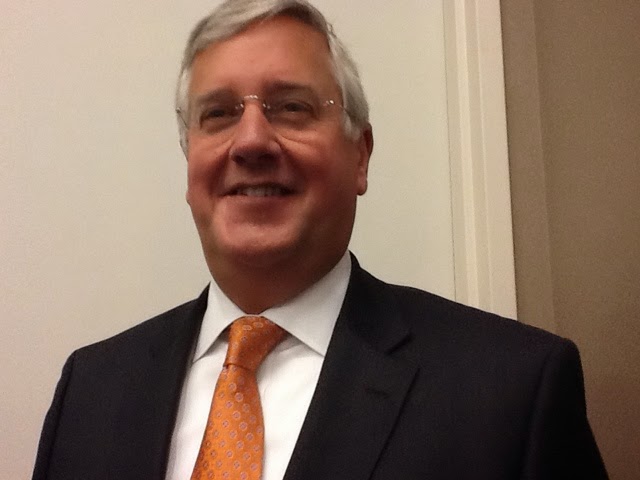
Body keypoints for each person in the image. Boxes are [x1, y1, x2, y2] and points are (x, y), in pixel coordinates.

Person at [32, 0, 608, 479]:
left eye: (292, 108)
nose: (250, 142)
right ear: (190, 162)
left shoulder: (512, 392)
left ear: (360, 156)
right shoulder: (90, 390)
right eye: (219, 114)